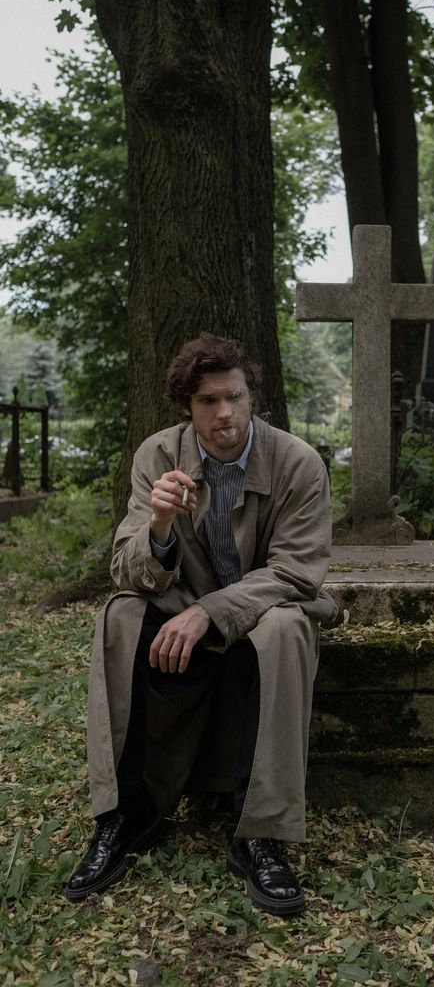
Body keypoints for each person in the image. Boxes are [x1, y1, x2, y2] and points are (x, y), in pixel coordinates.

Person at [64, 333, 336, 915]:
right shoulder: (156, 456)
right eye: (209, 401)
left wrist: (209, 612)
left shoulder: (297, 463)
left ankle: (262, 834)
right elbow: (126, 569)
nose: (226, 414)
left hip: (267, 610)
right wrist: (159, 526)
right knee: (120, 614)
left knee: (285, 629)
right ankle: (125, 817)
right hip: (179, 598)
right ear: (187, 406)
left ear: (252, 396)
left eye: (235, 397)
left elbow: (296, 571)